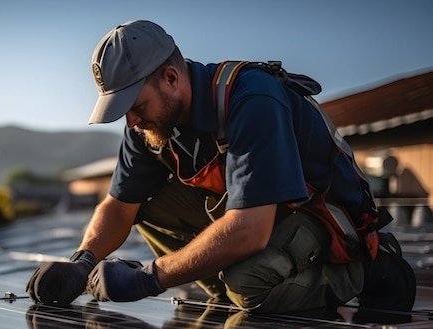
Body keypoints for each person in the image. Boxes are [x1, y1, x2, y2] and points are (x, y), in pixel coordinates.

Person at [26, 20, 410, 313]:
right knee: (141, 204)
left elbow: (249, 230)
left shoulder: (252, 99)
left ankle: (369, 270)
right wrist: (83, 261)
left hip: (325, 216)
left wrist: (150, 277)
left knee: (249, 288)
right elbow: (117, 205)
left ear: (171, 79)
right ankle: (227, 282)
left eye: (136, 106)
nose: (132, 123)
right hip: (263, 216)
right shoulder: (150, 124)